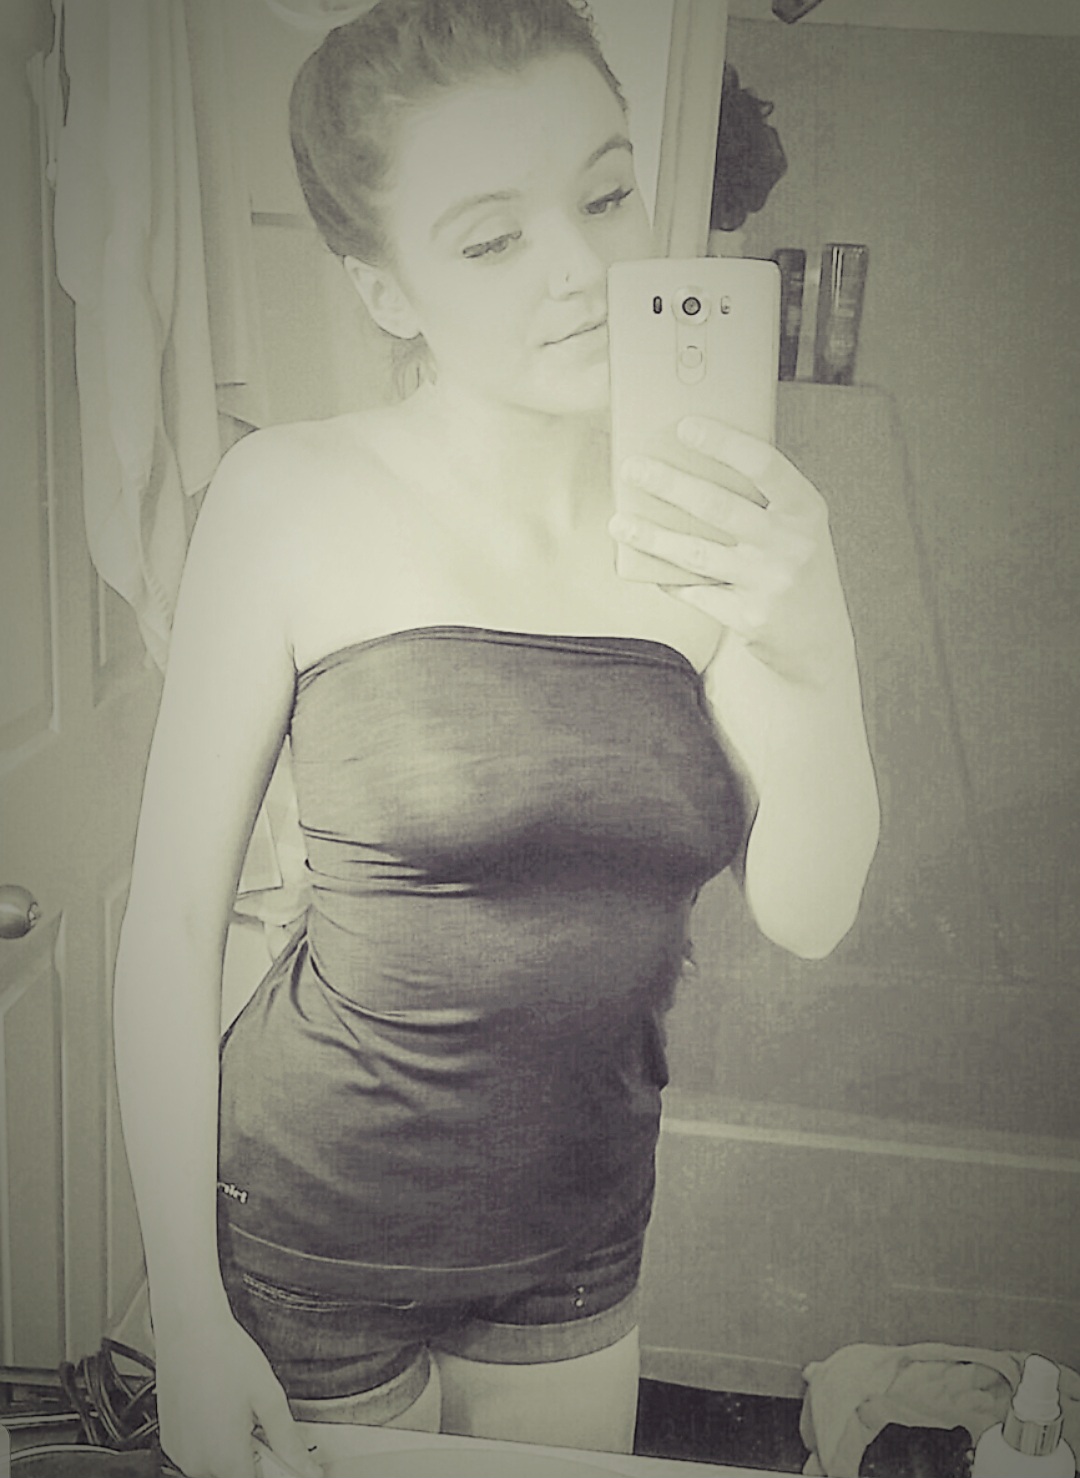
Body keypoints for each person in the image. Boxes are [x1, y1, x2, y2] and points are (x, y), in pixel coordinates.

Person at [112, 2, 880, 1475]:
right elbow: (170, 927)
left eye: (605, 196)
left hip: (579, 1231)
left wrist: (814, 631)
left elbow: (813, 908)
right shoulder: (285, 502)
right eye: (490, 239)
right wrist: (190, 1321)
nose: (581, 268)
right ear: (382, 286)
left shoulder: (726, 525)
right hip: (313, 1233)